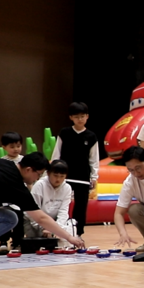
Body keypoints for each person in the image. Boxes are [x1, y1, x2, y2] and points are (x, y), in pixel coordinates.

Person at [51, 102, 99, 238]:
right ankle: (59, 230)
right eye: (76, 116)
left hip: (83, 177)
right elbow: (57, 154)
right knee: (61, 203)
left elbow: (93, 159)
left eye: (82, 116)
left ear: (87, 117)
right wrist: (53, 172)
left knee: (81, 206)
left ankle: (78, 233)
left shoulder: (91, 136)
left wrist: (94, 177)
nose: (80, 119)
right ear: (71, 117)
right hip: (64, 176)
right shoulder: (64, 133)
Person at [23, 159, 75, 247]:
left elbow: (63, 212)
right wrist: (44, 228)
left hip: (53, 223)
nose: (58, 179)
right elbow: (32, 212)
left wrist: (55, 229)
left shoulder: (67, 188)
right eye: (55, 175)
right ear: (48, 173)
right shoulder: (39, 185)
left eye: (62, 176)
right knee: (35, 246)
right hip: (35, 222)